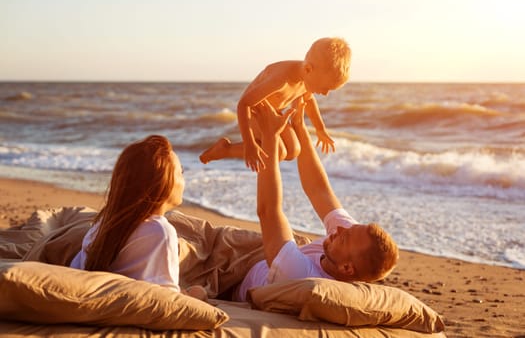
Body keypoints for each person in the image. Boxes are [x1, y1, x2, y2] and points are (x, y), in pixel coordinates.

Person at [234, 102, 399, 301]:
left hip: (237, 285)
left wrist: (270, 136)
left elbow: (268, 211)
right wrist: (299, 126)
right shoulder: (348, 241)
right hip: (259, 258)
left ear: (346, 268)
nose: (339, 229)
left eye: (344, 238)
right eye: (350, 228)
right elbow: (319, 191)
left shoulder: (300, 275)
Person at [70, 135, 206, 300]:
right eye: (180, 172)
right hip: (135, 306)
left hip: (103, 299)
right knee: (199, 291)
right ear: (163, 181)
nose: (183, 180)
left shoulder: (102, 225)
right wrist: (195, 295)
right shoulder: (160, 231)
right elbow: (167, 301)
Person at [199, 37, 351, 172]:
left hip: (273, 113)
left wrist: (321, 129)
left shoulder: (308, 77)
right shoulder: (280, 80)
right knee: (278, 152)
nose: (325, 94)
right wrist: (250, 144)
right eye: (325, 88)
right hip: (253, 113)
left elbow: (309, 100)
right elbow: (244, 104)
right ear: (308, 69)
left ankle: (236, 147)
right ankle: (226, 150)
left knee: (293, 151)